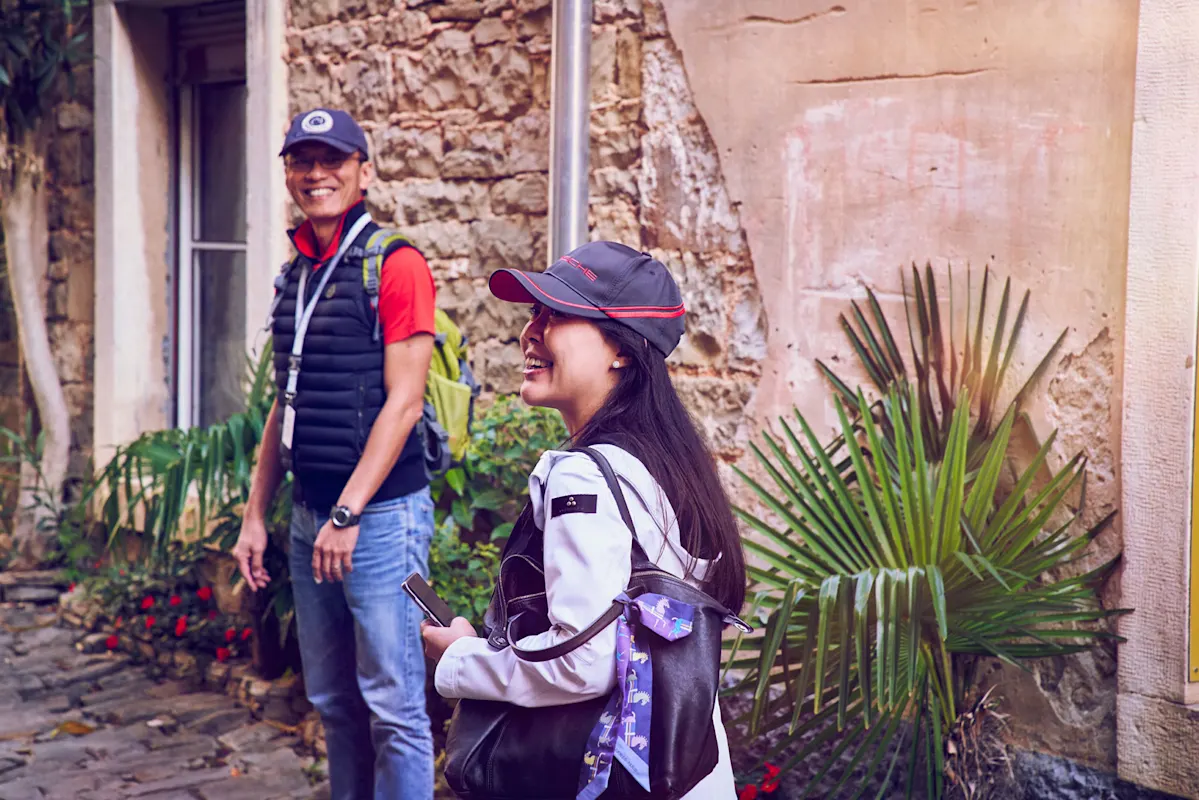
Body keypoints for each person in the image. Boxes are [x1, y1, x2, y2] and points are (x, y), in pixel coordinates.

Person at [422, 241, 747, 797]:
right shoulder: (667, 462)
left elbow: (582, 662)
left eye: (557, 315)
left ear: (622, 350)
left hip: (607, 774)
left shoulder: (584, 475)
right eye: (534, 313)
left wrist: (459, 658)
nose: (531, 332)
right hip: (684, 769)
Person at [232, 107, 437, 800]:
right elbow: (283, 405)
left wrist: (348, 515)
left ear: (363, 171)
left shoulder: (397, 265)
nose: (316, 174)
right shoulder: (295, 274)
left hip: (380, 521)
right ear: (288, 171)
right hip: (308, 516)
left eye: (333, 161)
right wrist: (256, 513)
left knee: (394, 706)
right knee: (332, 700)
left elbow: (404, 403)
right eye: (302, 161)